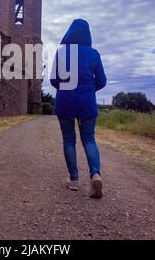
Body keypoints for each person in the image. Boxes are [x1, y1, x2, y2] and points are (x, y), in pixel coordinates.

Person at [50, 19, 106, 198]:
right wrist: (89, 90)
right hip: (87, 102)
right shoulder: (94, 54)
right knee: (89, 139)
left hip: (65, 101)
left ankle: (74, 180)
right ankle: (95, 174)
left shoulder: (61, 53)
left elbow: (53, 80)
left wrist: (66, 88)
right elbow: (102, 81)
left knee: (68, 139)